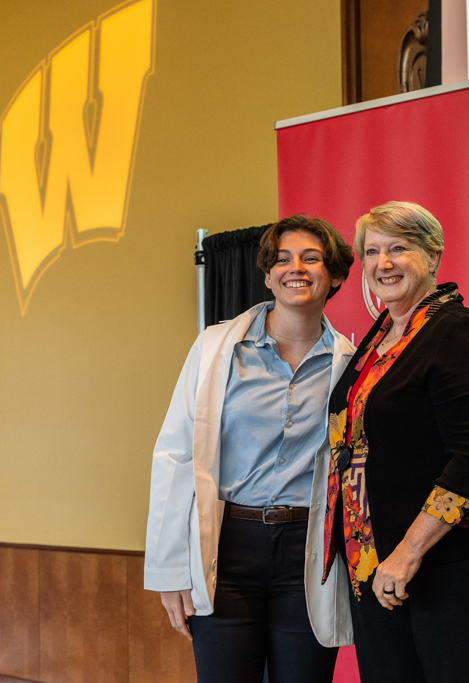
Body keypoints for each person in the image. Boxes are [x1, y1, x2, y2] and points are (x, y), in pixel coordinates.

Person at [321, 201, 469, 682]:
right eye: (372, 251)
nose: (383, 263)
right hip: (378, 569)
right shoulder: (381, 337)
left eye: (399, 248)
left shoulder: (456, 333)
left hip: (449, 566)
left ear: (433, 256)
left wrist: (408, 552)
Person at [144, 215, 356, 683]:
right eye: (282, 259)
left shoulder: (352, 363)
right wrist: (169, 572)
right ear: (266, 275)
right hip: (229, 549)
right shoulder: (216, 347)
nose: (295, 267)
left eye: (311, 258)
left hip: (309, 554)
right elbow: (175, 455)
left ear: (336, 276)